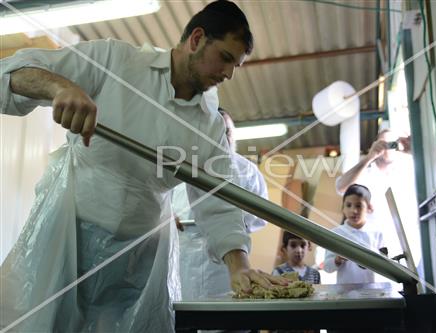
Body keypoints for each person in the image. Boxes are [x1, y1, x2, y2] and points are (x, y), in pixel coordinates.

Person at [0, 1, 287, 332]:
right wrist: (59, 86)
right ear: (196, 39)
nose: (228, 74)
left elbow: (219, 201)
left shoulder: (209, 126)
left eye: (235, 66)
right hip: (65, 236)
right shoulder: (116, 61)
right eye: (225, 58)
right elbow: (12, 72)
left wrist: (239, 266)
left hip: (137, 262)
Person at [174, 108, 269, 300]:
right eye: (216, 132)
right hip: (183, 253)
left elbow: (260, 213)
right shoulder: (182, 165)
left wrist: (235, 225)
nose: (222, 138)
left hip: (227, 260)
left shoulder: (247, 171)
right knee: (184, 309)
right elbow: (161, 199)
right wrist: (167, 215)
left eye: (226, 131)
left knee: (224, 312)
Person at [335, 129, 422, 271]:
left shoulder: (408, 171)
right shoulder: (365, 175)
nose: (387, 147)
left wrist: (413, 150)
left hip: (409, 249)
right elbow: (341, 187)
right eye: (383, 143)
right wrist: (369, 157)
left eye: (392, 143)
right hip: (375, 252)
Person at [323, 184, 386, 284]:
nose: (354, 211)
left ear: (368, 208)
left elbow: (385, 266)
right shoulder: (336, 233)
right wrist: (338, 259)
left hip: (370, 292)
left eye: (359, 206)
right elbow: (327, 267)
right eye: (348, 205)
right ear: (342, 208)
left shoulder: (376, 234)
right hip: (344, 293)